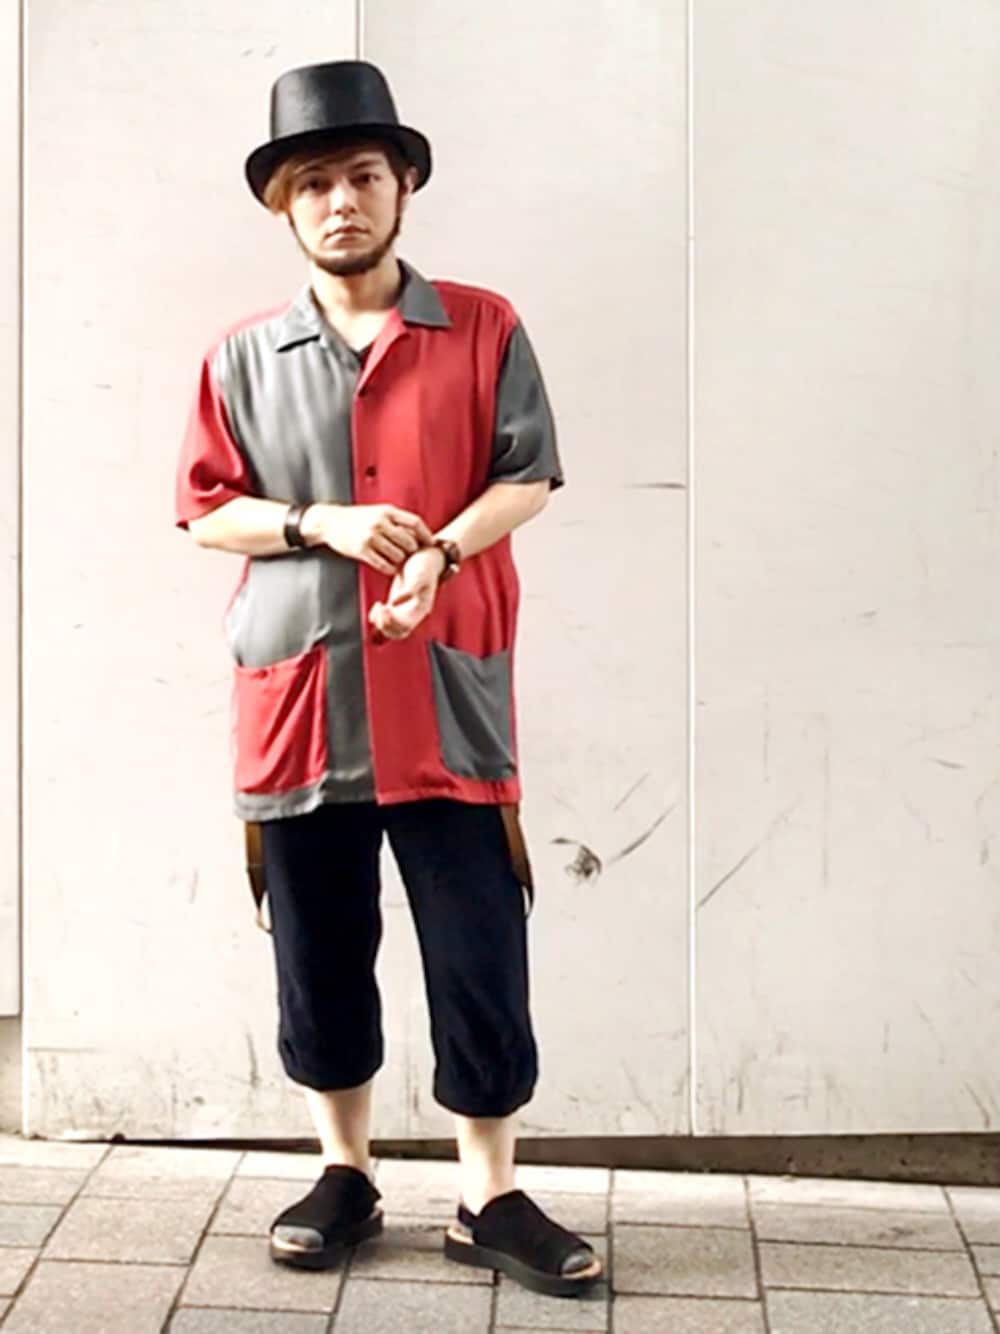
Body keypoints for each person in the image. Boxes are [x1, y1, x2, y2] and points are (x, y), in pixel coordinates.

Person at [175, 60, 602, 1299]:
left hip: (443, 694)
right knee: (318, 943)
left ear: (402, 185)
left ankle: (488, 1192)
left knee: (478, 942)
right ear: (284, 206)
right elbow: (204, 509)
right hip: (301, 699)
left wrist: (441, 552)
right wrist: (321, 520)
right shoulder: (242, 357)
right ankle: (344, 1171)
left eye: (362, 175)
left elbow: (527, 473)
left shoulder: (482, 327)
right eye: (313, 182)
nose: (340, 201)